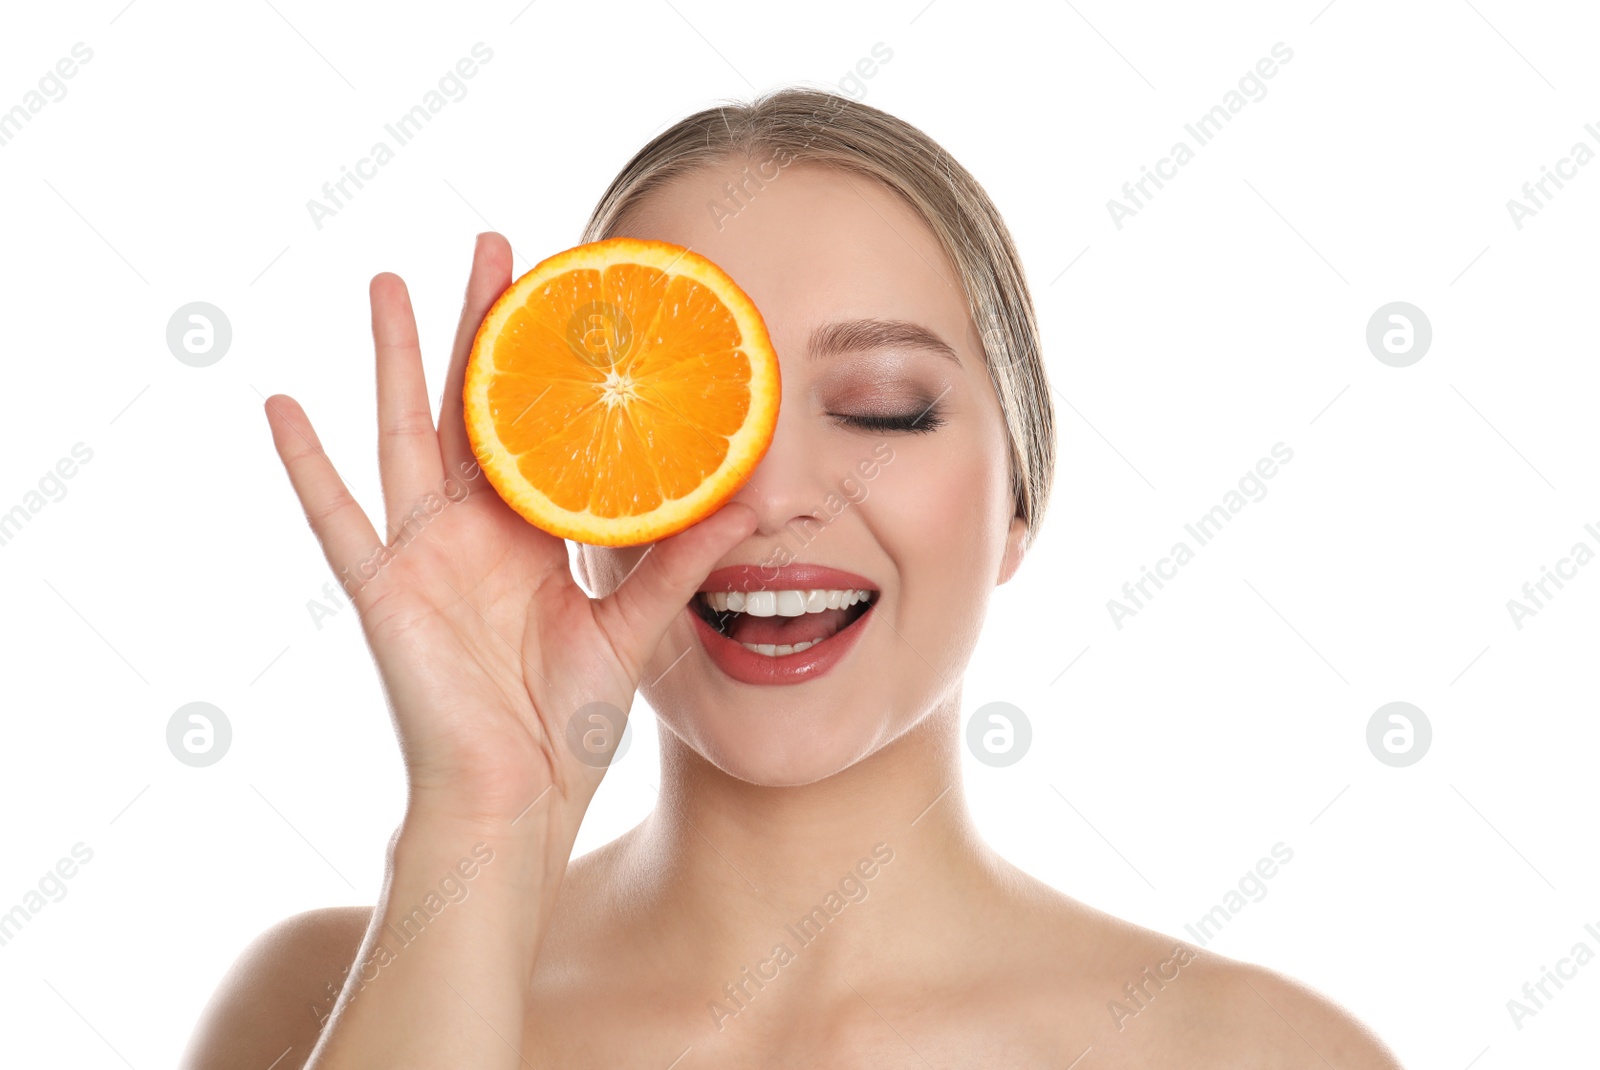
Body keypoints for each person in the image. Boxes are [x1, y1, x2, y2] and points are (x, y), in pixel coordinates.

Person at [181, 87, 1404, 1068]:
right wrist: (482, 822)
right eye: (681, 416)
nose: (768, 494)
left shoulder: (1259, 1052)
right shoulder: (319, 1003)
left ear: (1019, 504)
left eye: (882, 407)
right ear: (582, 499)